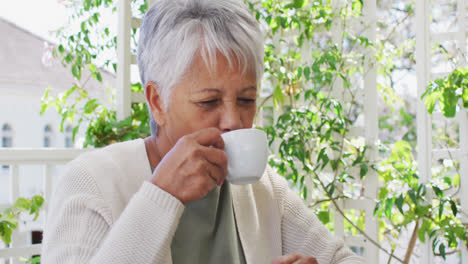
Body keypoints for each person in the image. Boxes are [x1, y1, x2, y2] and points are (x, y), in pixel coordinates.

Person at [41, 0, 365, 263]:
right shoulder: (91, 183)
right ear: (157, 102)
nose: (234, 121)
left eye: (246, 99)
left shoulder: (261, 191)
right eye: (209, 101)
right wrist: (161, 195)